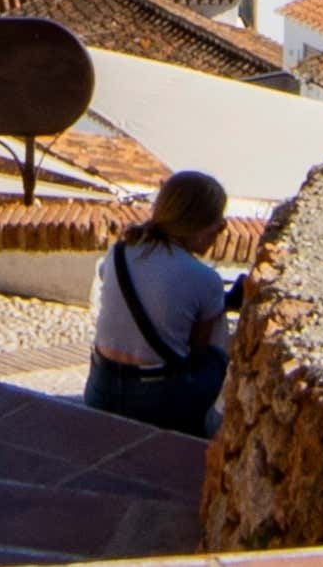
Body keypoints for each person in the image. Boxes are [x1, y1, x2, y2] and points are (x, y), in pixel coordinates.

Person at [85, 171, 237, 435]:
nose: (220, 231)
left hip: (102, 386)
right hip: (157, 398)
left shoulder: (119, 252)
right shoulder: (205, 278)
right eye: (219, 224)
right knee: (217, 352)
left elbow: (158, 292)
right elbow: (197, 352)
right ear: (200, 227)